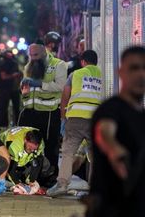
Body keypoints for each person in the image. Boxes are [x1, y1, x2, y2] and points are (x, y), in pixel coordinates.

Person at [86, 46, 145, 217]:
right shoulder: (110, 109)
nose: (140, 74)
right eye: (134, 68)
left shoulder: (141, 116)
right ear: (121, 72)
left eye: (144, 68)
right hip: (111, 208)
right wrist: (114, 149)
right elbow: (104, 132)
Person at [47, 50, 102, 197]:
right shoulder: (102, 76)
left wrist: (63, 119)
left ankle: (62, 185)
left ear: (83, 61)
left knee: (68, 152)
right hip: (95, 119)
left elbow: (65, 97)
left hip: (76, 118)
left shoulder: (76, 74)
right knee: (94, 154)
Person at [18, 43, 67, 172]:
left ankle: (51, 176)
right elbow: (26, 89)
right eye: (30, 55)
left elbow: (61, 86)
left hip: (49, 113)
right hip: (29, 112)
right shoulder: (28, 66)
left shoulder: (59, 65)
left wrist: (41, 84)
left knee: (50, 147)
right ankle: (31, 174)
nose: (33, 58)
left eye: (36, 55)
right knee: (29, 145)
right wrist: (23, 89)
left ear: (44, 52)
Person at [0, 51, 21, 129]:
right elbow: (3, 77)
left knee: (11, 107)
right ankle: (3, 126)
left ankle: (11, 125)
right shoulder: (3, 62)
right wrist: (13, 75)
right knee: (4, 107)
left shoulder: (9, 61)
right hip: (4, 88)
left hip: (11, 88)